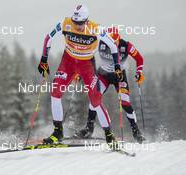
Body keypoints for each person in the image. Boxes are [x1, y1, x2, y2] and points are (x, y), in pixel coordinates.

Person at [37, 5, 121, 148]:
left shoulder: (96, 29)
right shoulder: (65, 23)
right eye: (75, 22)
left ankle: (109, 135)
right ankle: (58, 132)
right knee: (55, 93)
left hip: (86, 65)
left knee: (95, 100)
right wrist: (44, 59)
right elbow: (48, 37)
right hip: (68, 62)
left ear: (87, 21)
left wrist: (117, 65)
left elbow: (113, 46)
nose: (78, 26)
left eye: (81, 23)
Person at [74, 27, 146, 143]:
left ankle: (136, 132)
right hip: (103, 75)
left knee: (125, 103)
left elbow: (139, 58)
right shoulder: (100, 43)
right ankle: (89, 129)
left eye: (115, 42)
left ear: (119, 38)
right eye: (109, 42)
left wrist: (139, 72)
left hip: (119, 77)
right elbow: (86, 56)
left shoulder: (126, 46)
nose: (112, 45)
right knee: (94, 98)